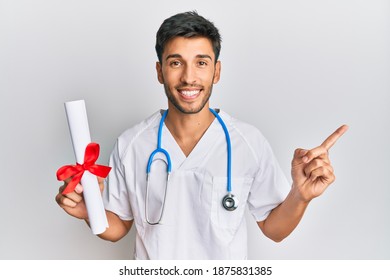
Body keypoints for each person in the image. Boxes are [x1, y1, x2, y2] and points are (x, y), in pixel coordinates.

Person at [56, 11, 348, 259]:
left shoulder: (248, 142)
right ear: (159, 71)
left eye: (201, 62)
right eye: (175, 62)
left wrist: (300, 196)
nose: (188, 77)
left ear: (216, 72)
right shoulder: (131, 143)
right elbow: (118, 227)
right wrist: (88, 213)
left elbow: (274, 230)